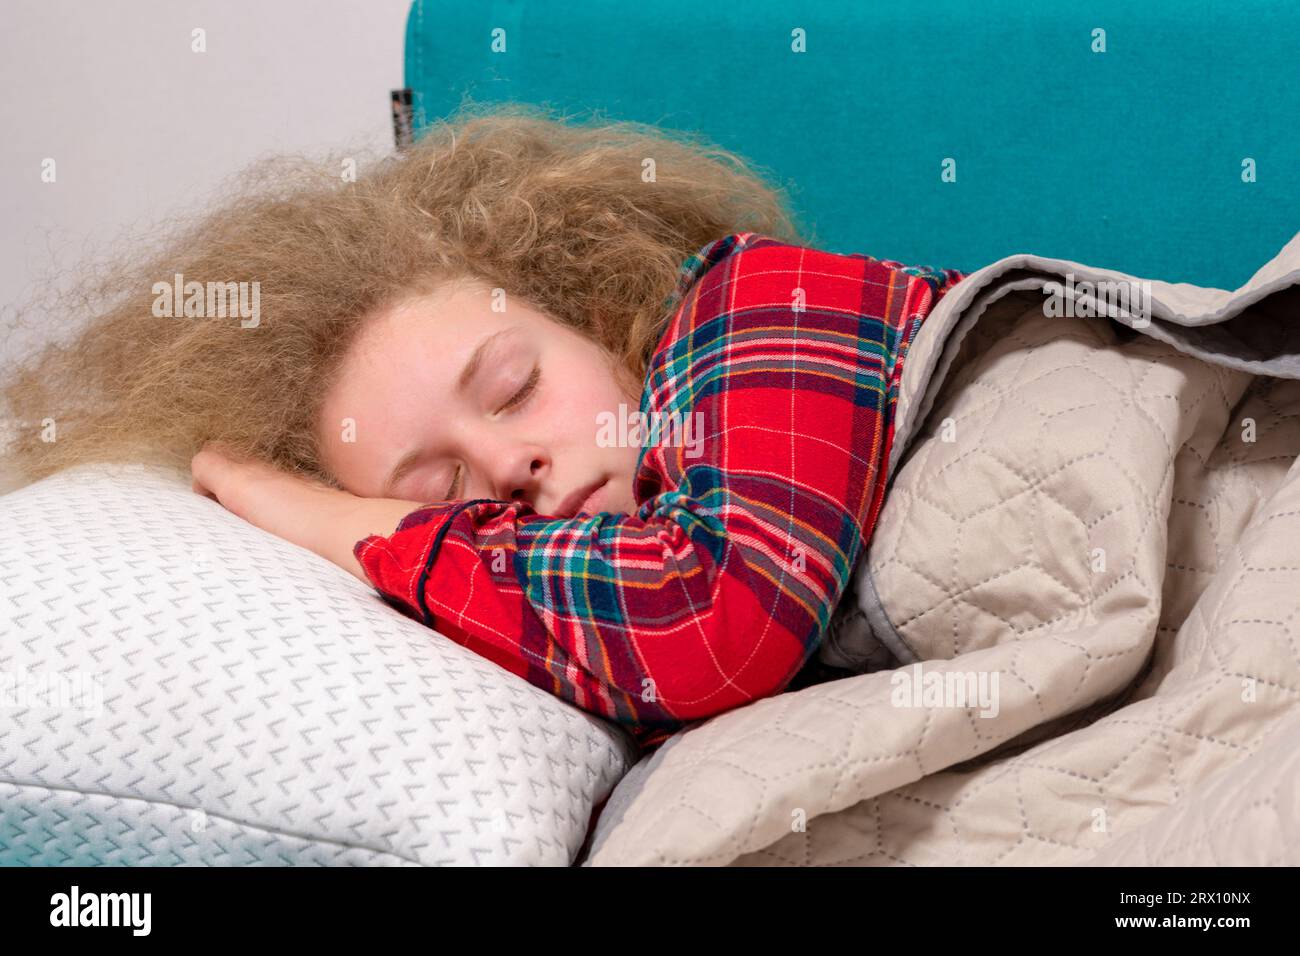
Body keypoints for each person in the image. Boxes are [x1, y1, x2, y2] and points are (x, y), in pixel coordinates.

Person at [2, 102, 964, 751]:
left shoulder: (759, 301)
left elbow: (712, 624)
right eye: (440, 491)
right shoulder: (590, 605)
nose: (509, 464)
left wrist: (326, 518)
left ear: (596, 312)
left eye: (512, 389)